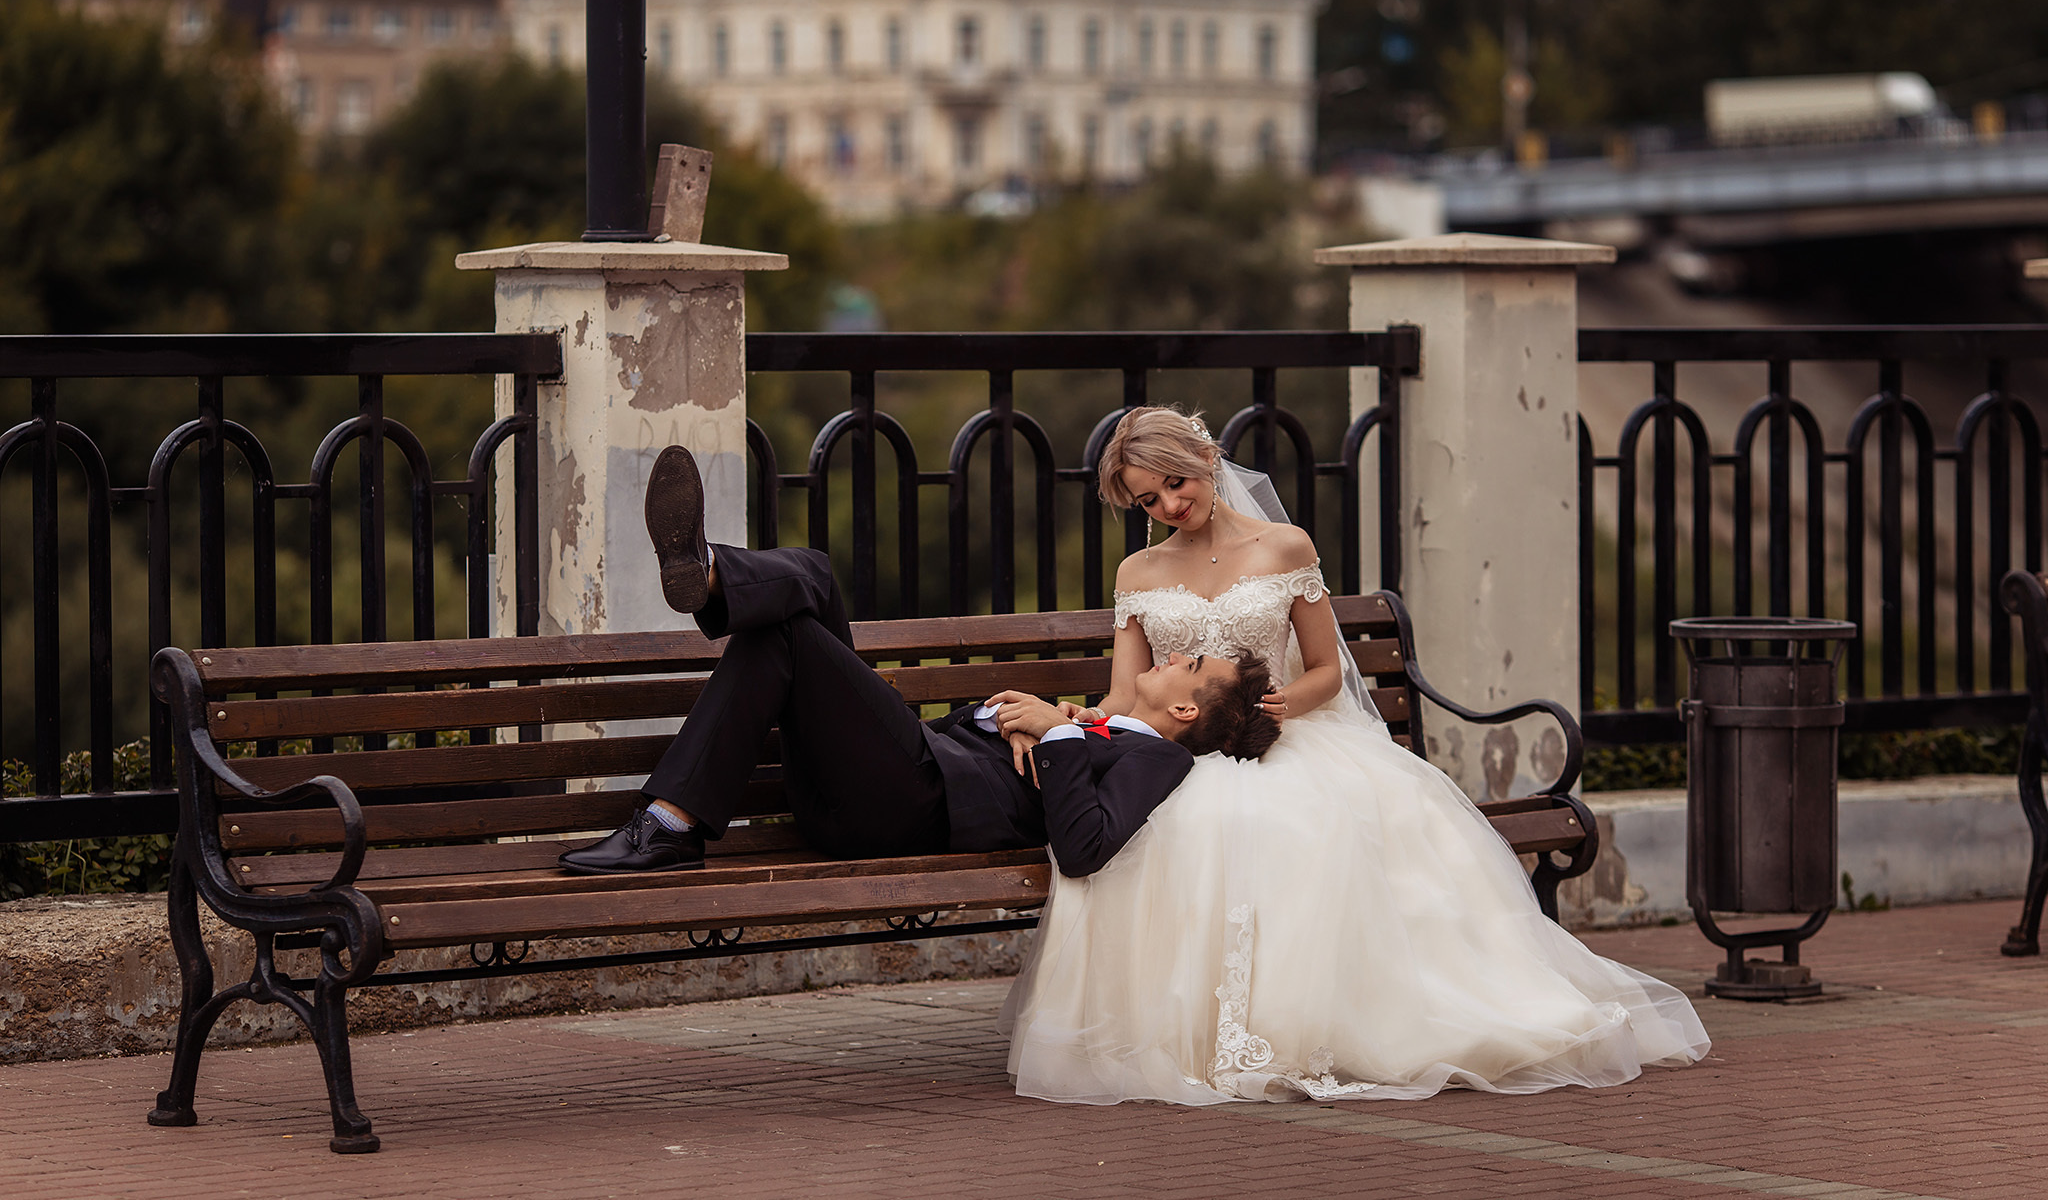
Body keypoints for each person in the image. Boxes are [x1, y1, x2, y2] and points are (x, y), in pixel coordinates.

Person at [994, 405, 1710, 1105]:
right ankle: (1180, 1029)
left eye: (1176, 483)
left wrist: (1286, 702)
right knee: (1170, 832)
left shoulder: (1285, 547)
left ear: (1207, 459)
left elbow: (1326, 671)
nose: (1170, 505)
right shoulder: (1139, 571)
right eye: (1149, 499)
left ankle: (1321, 1022)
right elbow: (1124, 694)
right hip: (1182, 751)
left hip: (1284, 735)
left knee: (1310, 825)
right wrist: (1073, 721)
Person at [559, 446, 1278, 879]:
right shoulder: (1102, 722)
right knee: (813, 576)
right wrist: (1015, 718)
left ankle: (669, 825)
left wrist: (1053, 732)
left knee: (789, 636)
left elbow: (1085, 847)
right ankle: (711, 572)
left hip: (910, 806)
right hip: (895, 775)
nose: (1176, 651)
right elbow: (1050, 747)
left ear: (1185, 708)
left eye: (1192, 662)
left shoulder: (1157, 760)